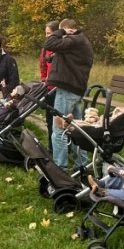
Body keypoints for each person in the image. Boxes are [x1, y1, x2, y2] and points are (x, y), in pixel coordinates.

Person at [43, 18, 94, 170]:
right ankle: (82, 165)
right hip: (74, 89)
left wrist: (60, 32)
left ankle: (60, 168)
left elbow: (49, 44)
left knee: (58, 130)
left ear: (68, 31)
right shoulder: (79, 41)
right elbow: (53, 53)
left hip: (68, 90)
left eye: (62, 32)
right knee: (78, 129)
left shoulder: (74, 39)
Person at [38, 21, 59, 152]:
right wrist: (43, 79)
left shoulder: (61, 49)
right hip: (49, 87)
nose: (47, 36)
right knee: (50, 119)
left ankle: (62, 147)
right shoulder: (45, 49)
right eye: (46, 33)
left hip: (60, 88)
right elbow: (43, 66)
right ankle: (51, 147)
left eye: (49, 33)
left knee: (60, 120)